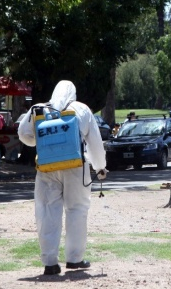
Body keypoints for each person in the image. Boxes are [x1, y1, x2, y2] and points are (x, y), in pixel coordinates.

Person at [17, 81, 108, 276]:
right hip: (76, 167)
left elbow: (23, 134)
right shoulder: (82, 110)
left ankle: (50, 262)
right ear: (73, 94)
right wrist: (100, 167)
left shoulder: (39, 109)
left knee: (48, 212)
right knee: (77, 210)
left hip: (47, 168)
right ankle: (75, 259)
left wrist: (40, 141)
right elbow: (95, 143)